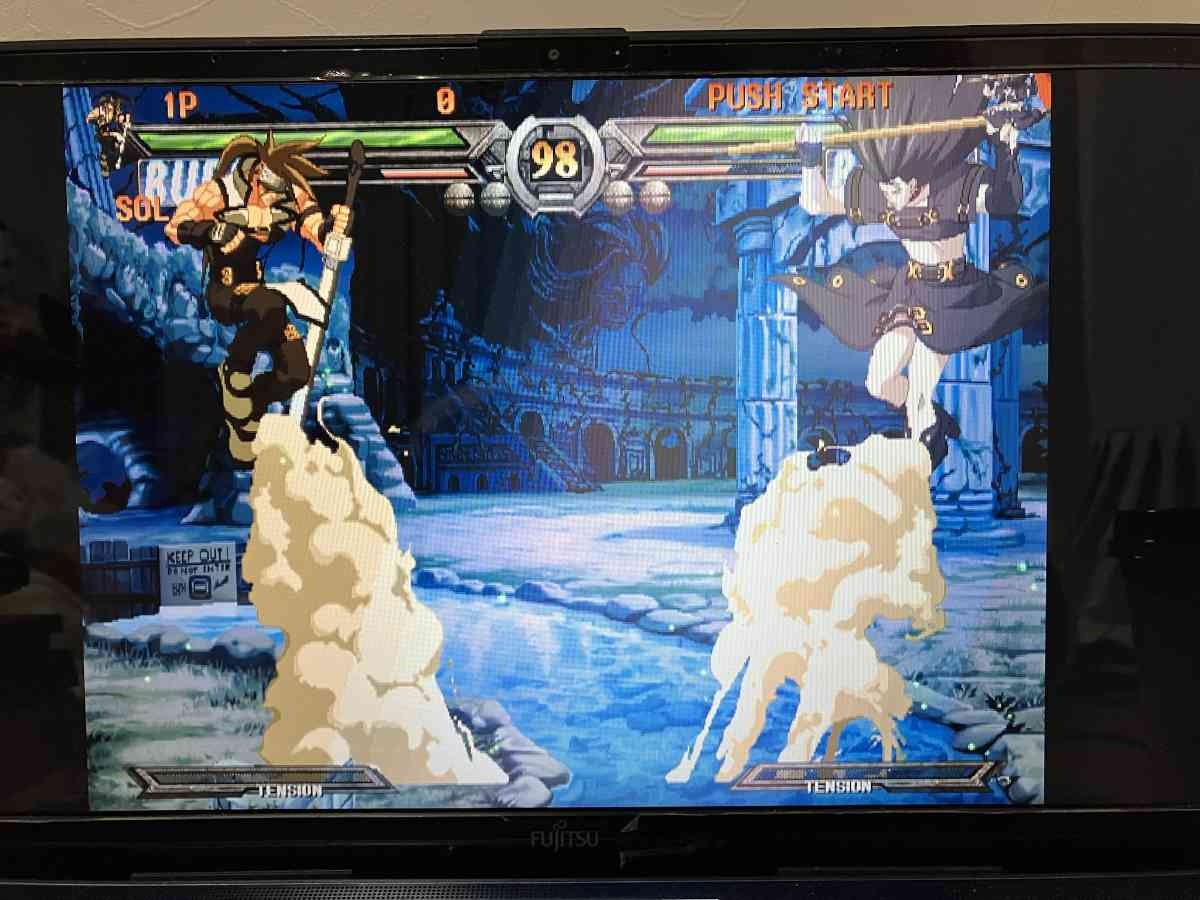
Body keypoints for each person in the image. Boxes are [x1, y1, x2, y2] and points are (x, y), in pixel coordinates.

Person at [778, 75, 1047, 468]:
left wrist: (1005, 146)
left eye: (896, 187)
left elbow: (1005, 200)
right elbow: (816, 203)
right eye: (885, 187)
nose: (889, 194)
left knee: (919, 397)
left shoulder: (955, 185)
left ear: (918, 177)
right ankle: (931, 419)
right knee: (878, 381)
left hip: (951, 297)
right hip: (909, 290)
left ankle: (924, 441)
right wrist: (810, 160)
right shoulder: (884, 183)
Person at [166, 131, 350, 465]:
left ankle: (247, 416)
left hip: (261, 292)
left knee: (296, 370)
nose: (272, 202)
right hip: (226, 289)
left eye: (280, 195)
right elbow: (175, 226)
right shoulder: (221, 192)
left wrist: (332, 226)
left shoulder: (289, 193)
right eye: (268, 191)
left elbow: (314, 226)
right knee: (270, 304)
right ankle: (234, 372)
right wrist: (211, 231)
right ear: (256, 175)